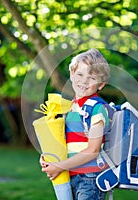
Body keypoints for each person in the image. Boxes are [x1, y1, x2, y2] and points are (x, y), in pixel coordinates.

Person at [40, 48, 110, 200]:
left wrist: (59, 166)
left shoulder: (97, 109)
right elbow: (64, 142)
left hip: (90, 178)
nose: (84, 81)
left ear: (101, 85)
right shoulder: (69, 107)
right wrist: (48, 158)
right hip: (68, 175)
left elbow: (93, 149)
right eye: (80, 74)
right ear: (72, 74)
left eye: (92, 78)